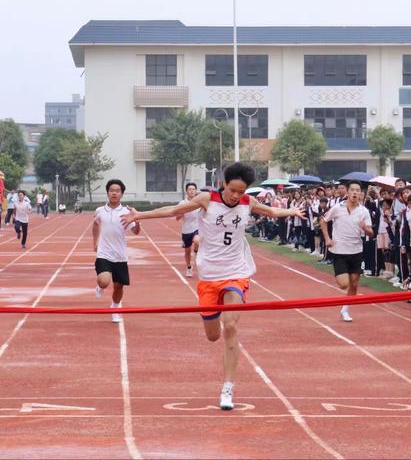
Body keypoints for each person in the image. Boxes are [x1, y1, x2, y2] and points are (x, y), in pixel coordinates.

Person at [120, 162, 305, 411]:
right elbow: (174, 209)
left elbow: (271, 212)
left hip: (236, 273)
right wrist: (139, 215)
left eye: (241, 191)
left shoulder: (246, 203)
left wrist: (291, 212)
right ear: (224, 184)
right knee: (213, 335)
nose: (236, 196)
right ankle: (216, 315)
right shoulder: (207, 199)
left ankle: (227, 388)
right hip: (208, 274)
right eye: (232, 190)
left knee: (230, 326)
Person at [320, 180, 374, 322]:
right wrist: (327, 238)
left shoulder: (364, 211)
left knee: (354, 284)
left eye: (357, 190)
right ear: (348, 192)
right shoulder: (337, 208)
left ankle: (345, 309)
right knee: (343, 284)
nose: (355, 192)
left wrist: (365, 228)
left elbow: (371, 233)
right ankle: (348, 294)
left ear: (361, 194)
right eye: (352, 190)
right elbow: (323, 220)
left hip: (356, 250)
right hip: (339, 251)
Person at [93, 179, 141, 323]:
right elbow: (95, 225)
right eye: (112, 190)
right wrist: (95, 242)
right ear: (108, 192)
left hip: (120, 255)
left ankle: (115, 308)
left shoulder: (127, 212)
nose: (114, 193)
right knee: (104, 281)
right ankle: (100, 285)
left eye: (117, 191)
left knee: (119, 287)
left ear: (121, 194)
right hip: (104, 253)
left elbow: (136, 231)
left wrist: (137, 219)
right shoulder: (100, 211)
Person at [177, 182, 201, 278]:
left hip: (198, 228)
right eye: (190, 189)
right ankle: (189, 267)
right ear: (186, 191)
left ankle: (196, 252)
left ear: (196, 191)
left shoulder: (199, 202)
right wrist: (182, 213)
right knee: (187, 251)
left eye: (193, 189)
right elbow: (177, 218)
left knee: (197, 241)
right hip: (186, 230)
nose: (192, 191)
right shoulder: (182, 203)